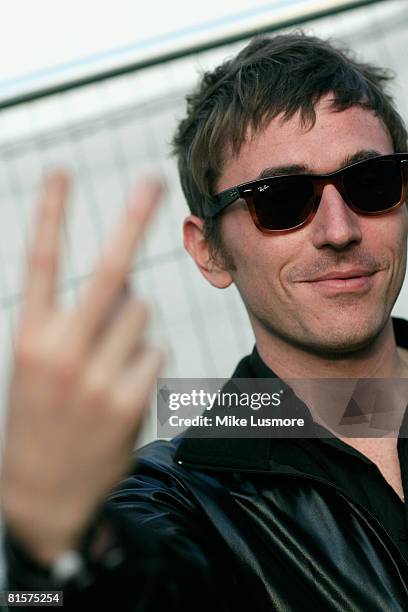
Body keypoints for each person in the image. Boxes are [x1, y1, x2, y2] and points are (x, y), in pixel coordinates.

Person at [1, 32, 408, 611]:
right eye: (282, 199)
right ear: (209, 251)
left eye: (372, 183)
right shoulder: (181, 495)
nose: (339, 230)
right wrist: (57, 550)